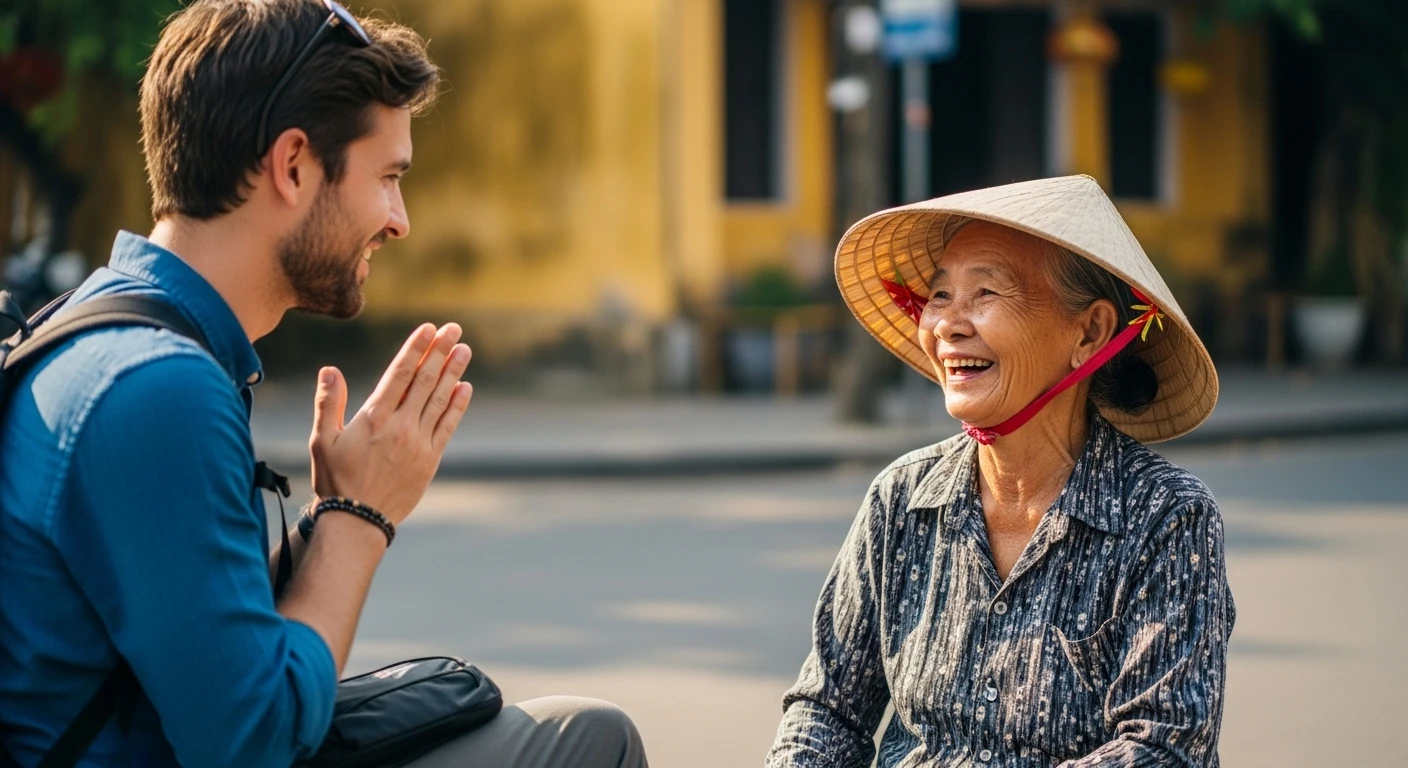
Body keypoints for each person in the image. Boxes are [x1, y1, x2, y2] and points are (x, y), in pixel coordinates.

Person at [0, 1, 647, 766]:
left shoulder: (95, 328)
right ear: (295, 163)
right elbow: (253, 743)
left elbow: (176, 621)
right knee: (588, 741)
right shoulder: (155, 389)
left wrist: (316, 526)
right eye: (388, 177)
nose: (399, 220)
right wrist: (360, 516)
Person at [766, 175, 1235, 767]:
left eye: (985, 292)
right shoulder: (902, 498)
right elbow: (826, 709)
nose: (948, 326)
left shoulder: (1166, 517)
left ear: (1088, 332)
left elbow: (1163, 749)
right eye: (939, 296)